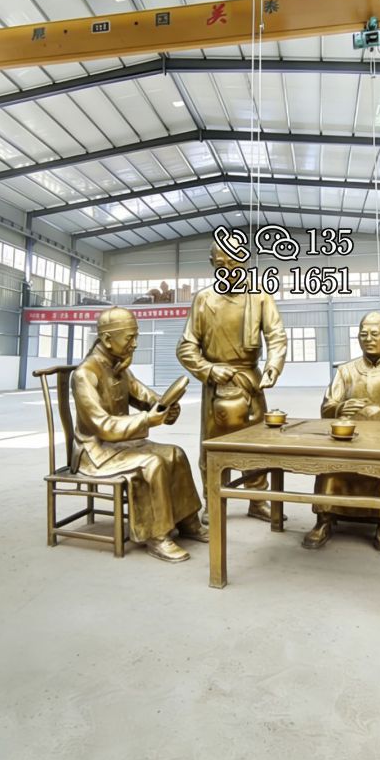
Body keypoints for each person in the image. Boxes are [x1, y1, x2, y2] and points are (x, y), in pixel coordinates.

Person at [71, 307, 207, 563]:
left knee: (175, 453)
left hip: (122, 444)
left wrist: (165, 406)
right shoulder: (85, 374)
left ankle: (187, 520)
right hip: (96, 451)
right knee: (151, 464)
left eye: (136, 336)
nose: (134, 343)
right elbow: (102, 425)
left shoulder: (120, 367)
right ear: (107, 339)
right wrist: (147, 420)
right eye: (129, 337)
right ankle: (157, 536)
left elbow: (145, 396)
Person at [177, 238, 287, 524]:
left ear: (245, 262)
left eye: (234, 263)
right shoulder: (204, 299)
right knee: (213, 447)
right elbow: (186, 347)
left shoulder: (260, 296)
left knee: (257, 444)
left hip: (250, 380)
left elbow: (276, 335)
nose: (228, 270)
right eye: (221, 264)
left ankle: (257, 499)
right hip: (216, 385)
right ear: (212, 264)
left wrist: (273, 366)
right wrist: (209, 369)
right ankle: (213, 501)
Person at [302, 311, 380, 551]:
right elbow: (326, 408)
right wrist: (339, 408)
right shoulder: (346, 370)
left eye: (375, 334)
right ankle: (324, 518)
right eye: (363, 334)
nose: (368, 339)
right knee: (328, 463)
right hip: (348, 440)